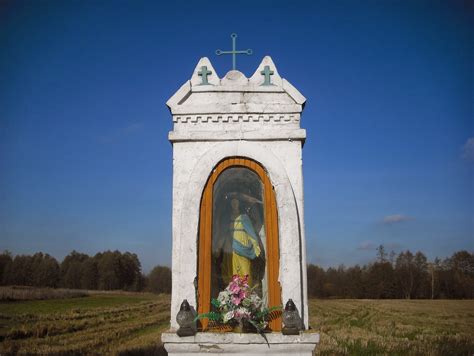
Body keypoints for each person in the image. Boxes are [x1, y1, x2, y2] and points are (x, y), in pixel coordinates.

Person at [220, 198, 262, 286]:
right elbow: (224, 232)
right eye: (232, 202)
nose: (234, 204)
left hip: (243, 245)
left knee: (245, 269)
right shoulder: (228, 217)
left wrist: (255, 245)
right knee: (233, 271)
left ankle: (246, 293)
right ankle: (235, 292)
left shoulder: (244, 217)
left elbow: (251, 232)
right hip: (231, 247)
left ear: (239, 203)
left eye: (236, 202)